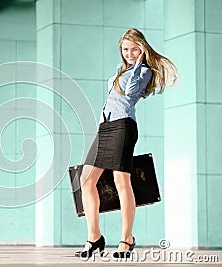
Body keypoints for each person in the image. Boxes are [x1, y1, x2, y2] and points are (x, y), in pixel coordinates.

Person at [76, 28, 177, 259]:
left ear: (142, 49)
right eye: (125, 49)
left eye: (134, 49)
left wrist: (138, 64)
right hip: (106, 127)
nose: (129, 53)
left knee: (121, 180)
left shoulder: (143, 72)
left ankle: (127, 239)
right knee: (85, 180)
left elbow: (130, 92)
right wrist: (128, 67)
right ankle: (94, 237)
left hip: (124, 126)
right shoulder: (120, 70)